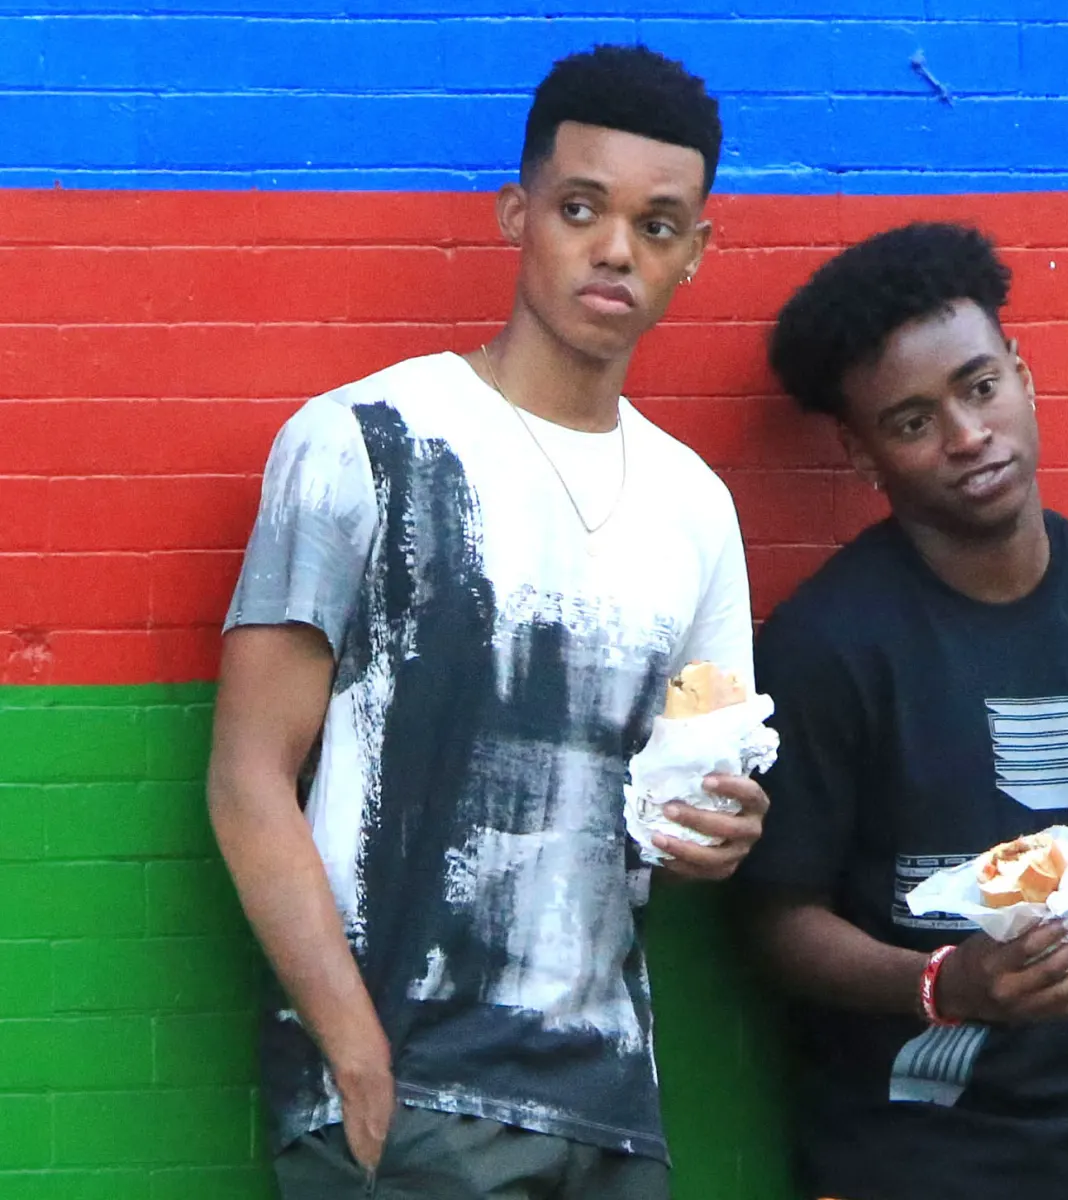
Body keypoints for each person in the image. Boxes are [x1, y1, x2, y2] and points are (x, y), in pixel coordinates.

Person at [207, 43, 769, 1200]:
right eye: (581, 208)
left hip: (608, 1112)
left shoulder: (696, 509)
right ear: (519, 214)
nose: (616, 249)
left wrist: (716, 833)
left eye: (658, 226)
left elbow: (679, 808)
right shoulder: (361, 441)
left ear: (697, 252)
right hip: (406, 1102)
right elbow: (248, 776)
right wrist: (357, 1061)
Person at [741, 222, 1068, 1200]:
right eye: (912, 422)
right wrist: (944, 982)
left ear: (1022, 376)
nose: (966, 436)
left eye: (980, 387)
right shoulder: (826, 647)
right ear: (861, 453)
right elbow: (778, 923)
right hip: (909, 1169)